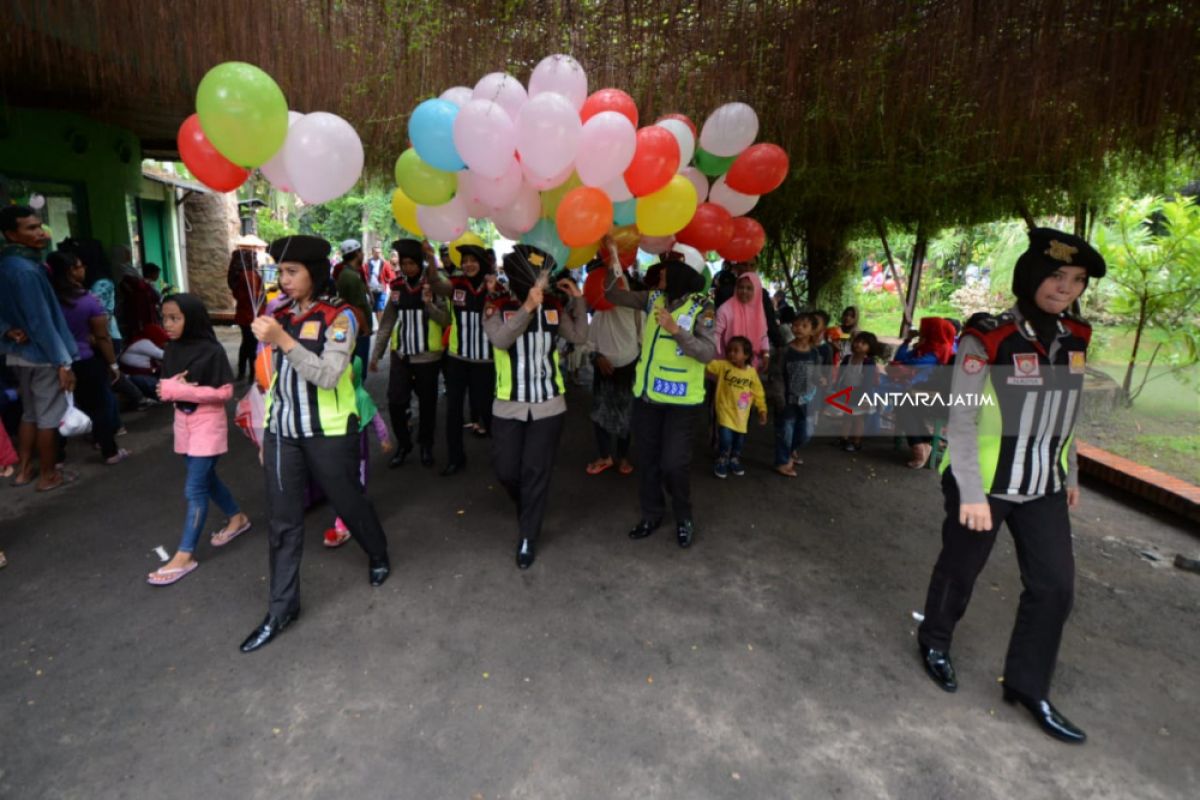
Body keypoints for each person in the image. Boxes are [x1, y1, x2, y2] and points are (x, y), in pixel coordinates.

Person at [916, 228, 1106, 745]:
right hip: (985, 482)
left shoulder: (1078, 337)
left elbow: (1069, 411)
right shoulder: (990, 336)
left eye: (1076, 280)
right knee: (960, 570)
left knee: (1055, 588)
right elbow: (960, 417)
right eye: (1055, 275)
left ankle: (1027, 686)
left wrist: (1070, 473)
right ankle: (934, 640)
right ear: (1030, 276)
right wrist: (972, 492)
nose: (1065, 288)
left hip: (1043, 483)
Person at [240, 235, 391, 654]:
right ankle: (281, 608)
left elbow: (327, 375)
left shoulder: (341, 317)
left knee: (348, 502)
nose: (283, 281)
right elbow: (269, 379)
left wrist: (284, 341)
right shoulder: (278, 314)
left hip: (328, 433)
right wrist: (264, 429)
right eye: (280, 272)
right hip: (282, 433)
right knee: (282, 521)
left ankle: (377, 552)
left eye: (292, 272)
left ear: (315, 273)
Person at [483, 244, 588, 569]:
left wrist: (579, 299)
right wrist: (527, 307)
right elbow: (500, 340)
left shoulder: (555, 307)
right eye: (538, 278)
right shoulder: (496, 306)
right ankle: (528, 506)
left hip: (548, 405)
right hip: (508, 406)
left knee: (535, 470)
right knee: (506, 471)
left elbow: (580, 336)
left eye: (546, 278)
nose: (544, 284)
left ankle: (528, 534)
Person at [605, 243, 716, 548]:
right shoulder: (652, 298)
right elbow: (613, 295)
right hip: (648, 400)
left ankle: (683, 517)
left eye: (666, 271)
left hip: (682, 404)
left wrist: (676, 330)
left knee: (674, 464)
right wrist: (613, 260)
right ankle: (652, 514)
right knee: (648, 460)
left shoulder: (703, 308)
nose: (660, 276)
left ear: (681, 273)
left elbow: (708, 353)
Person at [148, 294, 250, 586]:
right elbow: (163, 389)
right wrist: (172, 389)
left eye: (175, 318)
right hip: (183, 425)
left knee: (195, 488)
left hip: (208, 425)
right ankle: (237, 517)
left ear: (191, 318)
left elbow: (224, 393)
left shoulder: (212, 350)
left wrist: (181, 391)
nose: (168, 324)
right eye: (164, 317)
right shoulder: (171, 349)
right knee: (207, 480)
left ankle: (185, 554)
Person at [0, 206, 78, 492]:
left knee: (29, 414)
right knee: (47, 418)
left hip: (17, 353)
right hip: (43, 354)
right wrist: (63, 362)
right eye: (30, 228)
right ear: (11, 234)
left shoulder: (7, 265)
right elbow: (41, 321)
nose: (40, 233)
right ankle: (48, 475)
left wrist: (6, 329)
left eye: (39, 225)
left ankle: (23, 471)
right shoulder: (27, 271)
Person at [370, 238, 449, 468]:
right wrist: (376, 354)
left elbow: (445, 319)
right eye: (404, 263)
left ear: (420, 263)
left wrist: (429, 304)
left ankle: (426, 445)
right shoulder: (395, 288)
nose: (407, 268)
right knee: (395, 402)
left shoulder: (434, 286)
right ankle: (404, 444)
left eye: (411, 263)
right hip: (401, 356)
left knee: (427, 405)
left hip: (428, 357)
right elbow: (386, 323)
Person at [46, 251, 128, 465]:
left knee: (56, 409)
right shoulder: (87, 300)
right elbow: (102, 335)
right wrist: (112, 363)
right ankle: (109, 451)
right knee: (99, 406)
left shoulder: (48, 301)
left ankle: (57, 457)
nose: (84, 269)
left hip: (54, 362)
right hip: (85, 359)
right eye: (80, 266)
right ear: (71, 271)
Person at [429, 241, 496, 476]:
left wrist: (495, 289)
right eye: (465, 261)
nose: (468, 265)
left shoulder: (495, 287)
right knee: (453, 411)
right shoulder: (456, 285)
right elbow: (437, 284)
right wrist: (430, 261)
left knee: (488, 410)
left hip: (485, 360)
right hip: (457, 358)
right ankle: (456, 458)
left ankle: (501, 456)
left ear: (483, 263)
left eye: (473, 260)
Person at [322, 356, 394, 548]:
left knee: (356, 485)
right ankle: (348, 518)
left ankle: (345, 523)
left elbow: (375, 419)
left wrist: (384, 438)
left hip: (359, 454)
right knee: (345, 485)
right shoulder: (336, 395)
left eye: (349, 371)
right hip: (340, 451)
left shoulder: (361, 397)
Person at [582, 255, 641, 476]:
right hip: (602, 365)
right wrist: (596, 356)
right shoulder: (599, 309)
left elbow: (642, 336)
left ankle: (623, 456)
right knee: (600, 412)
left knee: (626, 413)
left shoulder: (633, 304)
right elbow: (588, 342)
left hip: (629, 363)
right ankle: (605, 455)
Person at [889, 316, 957, 468]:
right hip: (923, 393)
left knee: (903, 403)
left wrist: (901, 363)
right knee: (903, 402)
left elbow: (912, 362)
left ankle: (920, 445)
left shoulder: (941, 350)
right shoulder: (925, 347)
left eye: (924, 328)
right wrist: (907, 342)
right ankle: (923, 444)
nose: (920, 331)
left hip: (941, 400)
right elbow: (900, 358)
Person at [767, 311, 823, 476]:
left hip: (807, 400)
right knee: (785, 432)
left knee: (806, 433)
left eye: (804, 326)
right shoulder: (785, 351)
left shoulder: (814, 353)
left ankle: (791, 451)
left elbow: (816, 373)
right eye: (796, 324)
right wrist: (779, 398)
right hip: (787, 401)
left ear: (812, 330)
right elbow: (776, 375)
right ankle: (782, 462)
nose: (798, 328)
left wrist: (819, 380)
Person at [706, 336, 767, 478]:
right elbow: (706, 363)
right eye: (729, 350)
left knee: (739, 440)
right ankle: (722, 459)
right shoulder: (723, 366)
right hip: (725, 411)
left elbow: (758, 392)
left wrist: (762, 410)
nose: (731, 353)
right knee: (726, 438)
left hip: (742, 415)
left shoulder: (752, 373)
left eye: (735, 351)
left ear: (746, 355)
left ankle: (734, 458)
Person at [834, 331, 883, 451]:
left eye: (864, 343)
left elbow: (868, 382)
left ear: (870, 348)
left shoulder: (868, 362)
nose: (859, 344)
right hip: (846, 391)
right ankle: (843, 439)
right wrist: (837, 389)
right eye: (857, 341)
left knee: (858, 418)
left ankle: (856, 441)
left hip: (860, 393)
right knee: (847, 416)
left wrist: (865, 398)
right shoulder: (847, 359)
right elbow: (841, 375)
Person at [714, 271, 771, 372]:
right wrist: (721, 357)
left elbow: (763, 336)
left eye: (749, 288)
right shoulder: (725, 309)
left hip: (751, 367)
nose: (744, 291)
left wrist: (766, 354)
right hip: (728, 363)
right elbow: (716, 335)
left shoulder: (759, 311)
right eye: (741, 287)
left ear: (756, 290)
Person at [227, 248, 265, 382]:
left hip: (243, 314)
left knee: (246, 343)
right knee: (252, 345)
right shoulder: (250, 275)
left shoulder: (238, 275)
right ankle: (252, 374)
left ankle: (242, 372)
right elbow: (254, 296)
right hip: (252, 315)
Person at [334, 239, 373, 366]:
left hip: (354, 327)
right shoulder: (350, 276)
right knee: (359, 367)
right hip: (358, 330)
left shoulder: (350, 273)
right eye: (361, 251)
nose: (363, 254)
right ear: (357, 253)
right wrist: (366, 328)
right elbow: (357, 307)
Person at [365, 245, 394, 326]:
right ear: (373, 253)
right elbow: (364, 275)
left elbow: (390, 276)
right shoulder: (367, 264)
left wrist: (388, 284)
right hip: (370, 290)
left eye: (379, 252)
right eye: (376, 252)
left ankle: (380, 327)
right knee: (371, 308)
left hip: (381, 289)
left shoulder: (385, 264)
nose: (378, 254)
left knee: (380, 308)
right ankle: (371, 326)